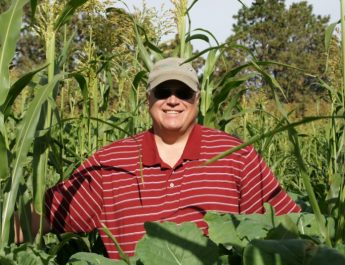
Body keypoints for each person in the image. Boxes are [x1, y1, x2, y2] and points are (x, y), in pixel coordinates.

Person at [38, 57, 300, 260]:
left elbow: (288, 227)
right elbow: (45, 216)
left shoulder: (235, 155)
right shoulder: (112, 162)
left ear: (197, 100)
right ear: (148, 99)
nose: (173, 100)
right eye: (163, 91)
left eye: (183, 93)